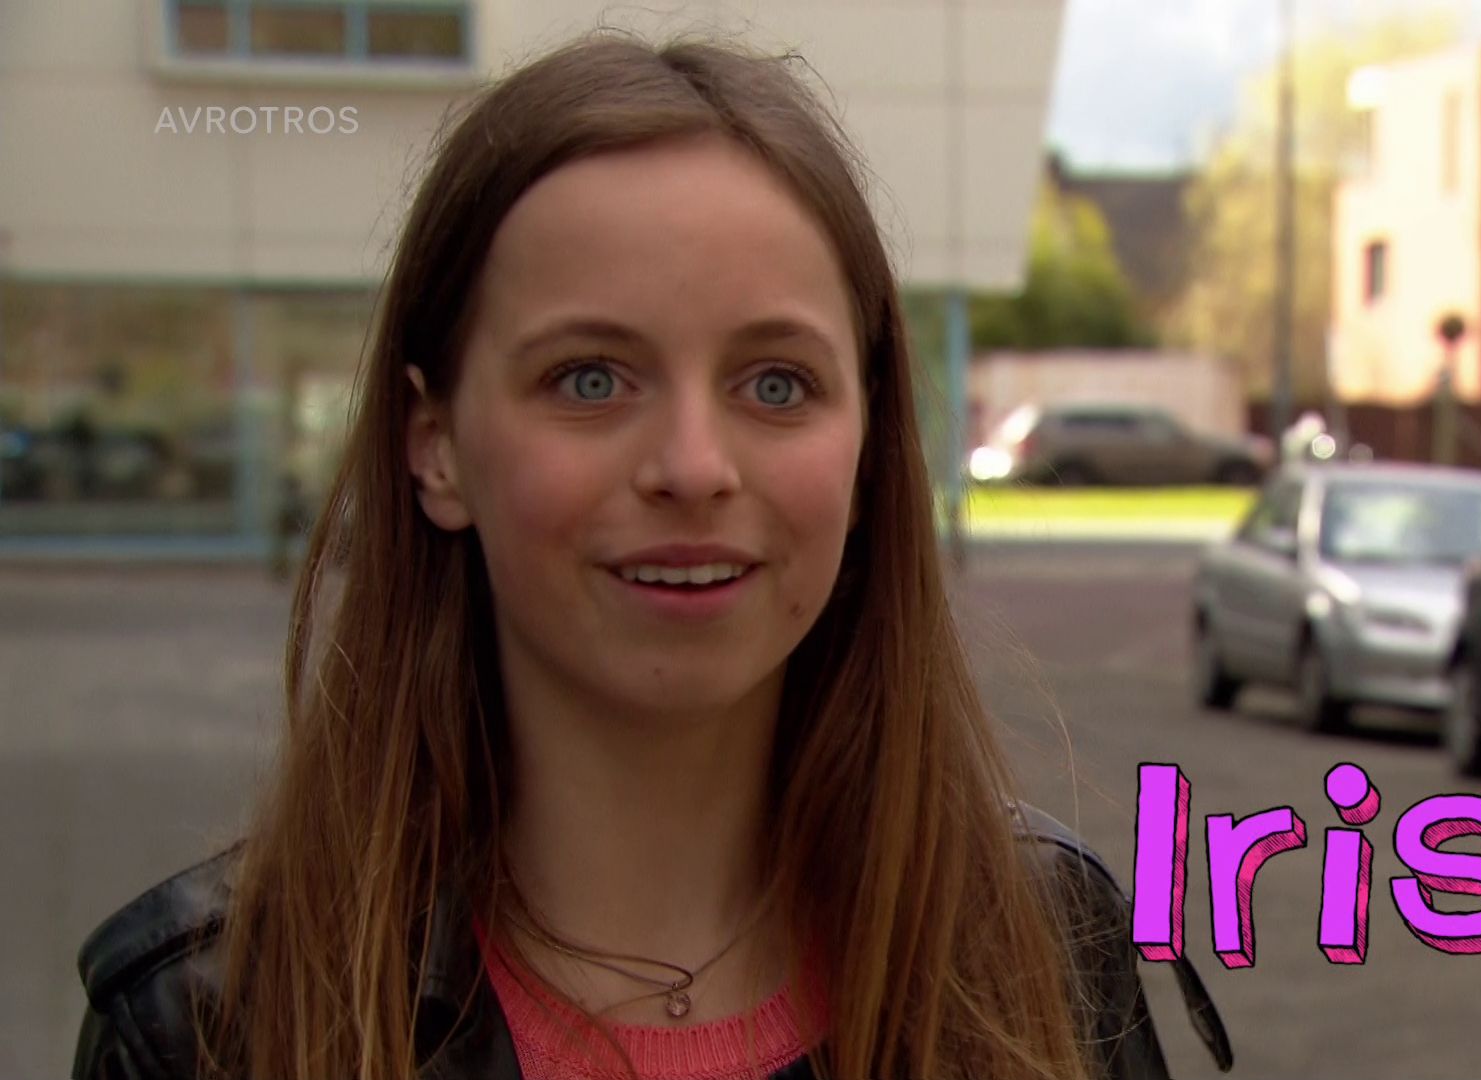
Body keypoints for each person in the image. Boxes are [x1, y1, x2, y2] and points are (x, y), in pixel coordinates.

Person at [69, 31, 1229, 1080]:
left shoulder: (1041, 949)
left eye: (777, 383)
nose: (692, 466)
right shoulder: (212, 1026)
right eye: (590, 378)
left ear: (869, 445)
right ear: (436, 447)